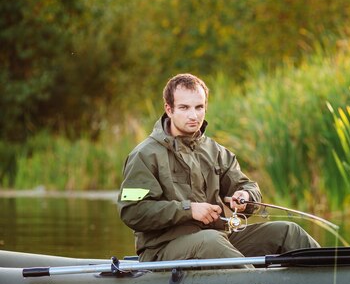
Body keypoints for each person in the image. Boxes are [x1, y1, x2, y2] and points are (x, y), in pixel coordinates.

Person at [118, 73, 319, 263]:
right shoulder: (144, 155)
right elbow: (133, 211)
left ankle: (337, 276)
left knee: (288, 231)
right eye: (184, 108)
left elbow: (248, 187)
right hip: (163, 250)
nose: (193, 115)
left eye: (199, 107)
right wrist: (188, 210)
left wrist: (246, 198)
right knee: (211, 241)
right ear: (169, 110)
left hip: (219, 240)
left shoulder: (215, 151)